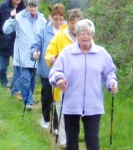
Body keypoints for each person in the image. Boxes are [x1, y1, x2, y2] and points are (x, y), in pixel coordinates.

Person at [49, 19, 118, 150]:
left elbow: (110, 73)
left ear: (92, 35)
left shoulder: (101, 53)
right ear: (77, 35)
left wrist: (111, 84)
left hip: (93, 104)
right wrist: (59, 79)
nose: (86, 37)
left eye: (89, 33)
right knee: (72, 140)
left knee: (92, 139)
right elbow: (56, 71)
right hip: (71, 103)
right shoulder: (67, 53)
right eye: (82, 33)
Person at [45, 8, 83, 148]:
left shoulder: (86, 37)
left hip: (79, 85)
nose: (74, 26)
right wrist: (52, 60)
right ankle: (63, 142)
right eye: (72, 22)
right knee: (61, 112)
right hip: (61, 83)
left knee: (74, 117)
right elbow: (48, 53)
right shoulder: (60, 36)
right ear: (69, 22)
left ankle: (72, 140)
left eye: (77, 23)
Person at [32, 3, 66, 147]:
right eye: (55, 18)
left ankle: (58, 125)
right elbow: (36, 44)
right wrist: (35, 52)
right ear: (51, 17)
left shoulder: (66, 32)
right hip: (46, 70)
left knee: (59, 100)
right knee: (47, 97)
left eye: (60, 19)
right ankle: (46, 118)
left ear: (63, 18)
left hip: (62, 73)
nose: (57, 21)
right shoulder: (44, 30)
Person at [3, 0, 46, 110]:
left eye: (35, 6)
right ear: (27, 6)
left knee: (32, 82)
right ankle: (28, 103)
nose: (33, 9)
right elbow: (6, 30)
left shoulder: (41, 19)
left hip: (36, 56)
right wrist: (12, 19)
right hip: (22, 55)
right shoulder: (19, 17)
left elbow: (47, 32)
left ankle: (18, 93)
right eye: (31, 6)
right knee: (25, 80)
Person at [0, 0, 25, 88]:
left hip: (19, 43)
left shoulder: (24, 9)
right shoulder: (2, 7)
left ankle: (15, 87)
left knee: (19, 67)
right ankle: (3, 84)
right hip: (3, 42)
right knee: (2, 68)